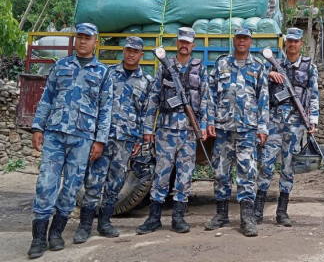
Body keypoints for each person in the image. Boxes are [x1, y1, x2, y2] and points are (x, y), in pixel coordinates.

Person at [28, 23, 113, 259]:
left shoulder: (102, 73)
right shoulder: (61, 66)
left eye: (88, 38)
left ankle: (56, 232)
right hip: (55, 133)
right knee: (46, 182)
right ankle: (38, 238)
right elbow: (47, 97)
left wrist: (100, 140)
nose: (83, 41)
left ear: (96, 42)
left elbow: (105, 109)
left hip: (83, 137)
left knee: (72, 187)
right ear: (75, 40)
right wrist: (38, 127)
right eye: (80, 37)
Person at [73, 36, 153, 244]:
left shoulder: (146, 82)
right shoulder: (108, 73)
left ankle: (105, 223)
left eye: (135, 51)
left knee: (116, 183)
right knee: (93, 181)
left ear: (141, 55)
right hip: (103, 137)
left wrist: (141, 139)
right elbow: (95, 103)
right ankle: (84, 227)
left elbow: (146, 113)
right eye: (128, 50)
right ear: (123, 51)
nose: (131, 54)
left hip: (126, 140)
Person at [136, 27, 208, 235]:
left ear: (193, 46)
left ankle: (178, 217)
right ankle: (154, 218)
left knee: (184, 175)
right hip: (166, 130)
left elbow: (206, 100)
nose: (184, 45)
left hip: (188, 132)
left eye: (188, 42)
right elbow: (153, 98)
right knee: (161, 174)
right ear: (177, 43)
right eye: (181, 41)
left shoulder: (199, 69)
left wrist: (202, 127)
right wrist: (148, 128)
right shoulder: (165, 67)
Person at [205, 26, 269, 237]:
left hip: (247, 129)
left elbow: (263, 100)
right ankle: (221, 215)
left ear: (251, 42)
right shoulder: (221, 64)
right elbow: (210, 94)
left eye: (246, 38)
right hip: (223, 128)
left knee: (247, 173)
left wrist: (262, 127)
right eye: (239, 37)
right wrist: (209, 120)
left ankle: (247, 218)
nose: (242, 41)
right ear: (234, 40)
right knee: (220, 172)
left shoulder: (258, 67)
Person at [254, 27, 319, 227]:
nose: (292, 44)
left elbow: (314, 94)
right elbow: (261, 91)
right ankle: (257, 211)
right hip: (274, 121)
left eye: (296, 41)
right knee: (266, 164)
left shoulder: (309, 67)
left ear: (301, 44)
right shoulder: (275, 64)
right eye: (289, 41)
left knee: (288, 167)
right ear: (285, 43)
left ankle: (282, 212)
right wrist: (269, 74)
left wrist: (313, 119)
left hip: (296, 123)